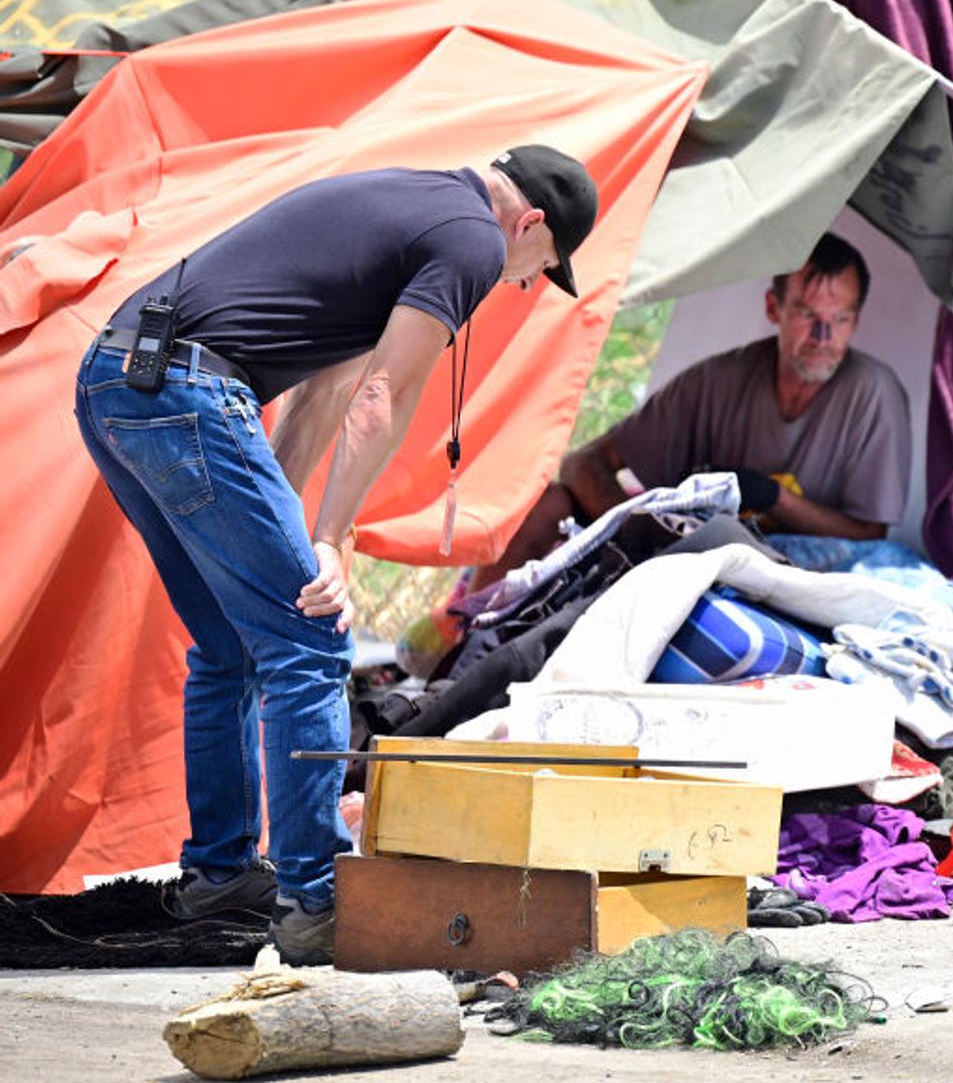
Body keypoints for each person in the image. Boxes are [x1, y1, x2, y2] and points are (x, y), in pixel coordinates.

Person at [73, 145, 599, 964]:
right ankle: (317, 901)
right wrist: (320, 543)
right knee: (314, 640)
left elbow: (324, 392)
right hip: (186, 391)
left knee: (232, 639)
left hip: (115, 379)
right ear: (529, 222)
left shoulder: (405, 199)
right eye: (543, 264)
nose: (526, 281)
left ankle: (220, 874)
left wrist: (285, 535)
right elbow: (381, 402)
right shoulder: (473, 240)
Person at [472, 233, 910, 589]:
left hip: (782, 571)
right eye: (806, 313)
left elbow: (870, 537)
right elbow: (583, 463)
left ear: (857, 320)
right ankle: (461, 639)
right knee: (548, 503)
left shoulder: (874, 396)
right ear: (773, 309)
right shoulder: (720, 381)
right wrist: (633, 527)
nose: (822, 336)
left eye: (839, 320)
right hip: (685, 555)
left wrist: (773, 498)